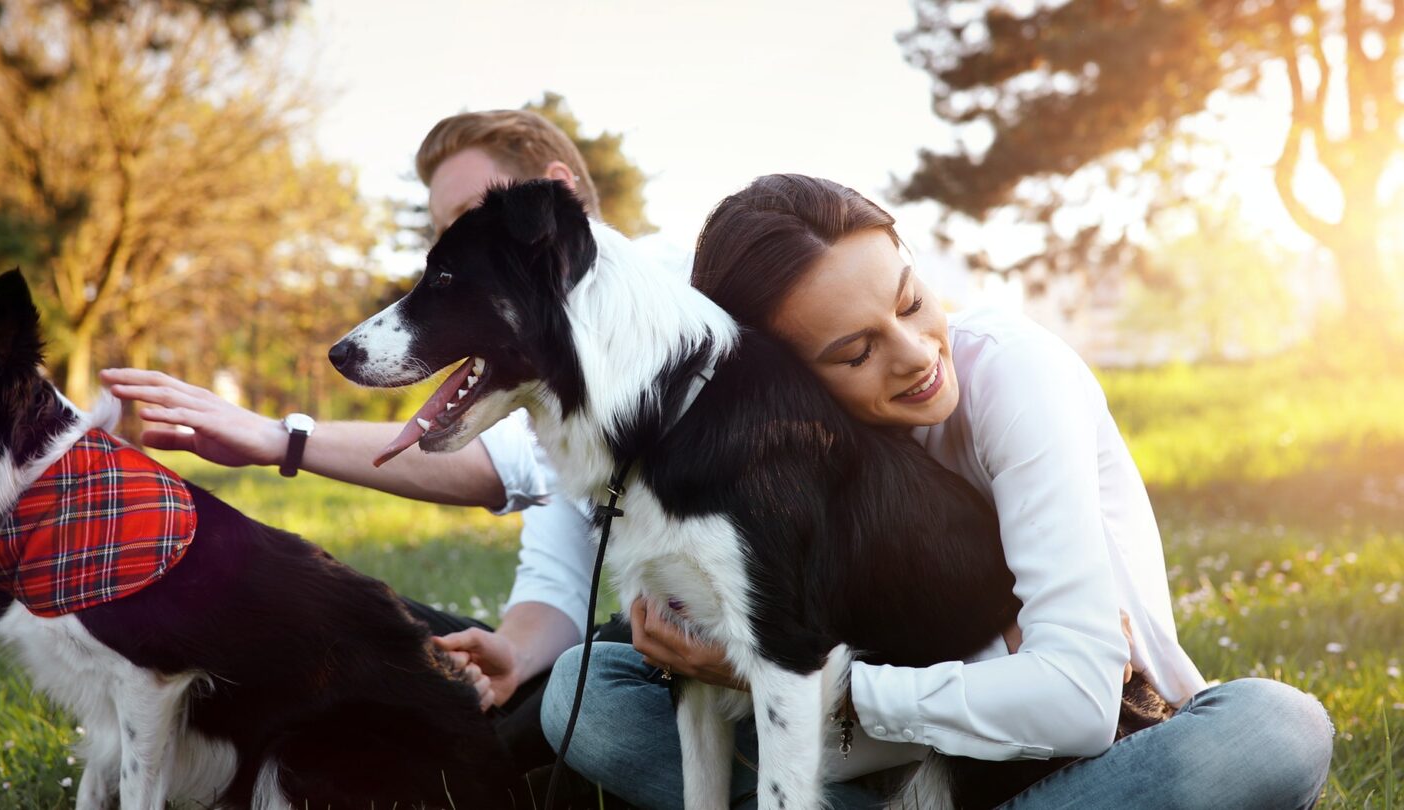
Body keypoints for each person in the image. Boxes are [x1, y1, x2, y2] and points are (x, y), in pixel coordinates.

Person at [539, 175, 1334, 809]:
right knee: (588, 688)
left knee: (1274, 728)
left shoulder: (1013, 374)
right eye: (857, 351)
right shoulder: (775, 455)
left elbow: (1079, 704)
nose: (917, 355)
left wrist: (806, 680)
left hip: (1079, 761)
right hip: (863, 756)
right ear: (781, 379)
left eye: (913, 300)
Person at [99, 109, 617, 776]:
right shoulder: (539, 380)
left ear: (555, 199)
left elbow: (503, 464)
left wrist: (279, 439)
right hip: (580, 667)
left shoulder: (688, 304)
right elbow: (560, 575)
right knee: (341, 614)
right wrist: (510, 655)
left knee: (594, 702)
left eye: (469, 220)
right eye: (443, 234)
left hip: (682, 672)